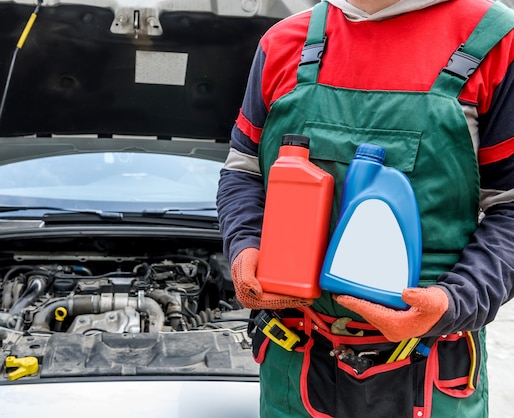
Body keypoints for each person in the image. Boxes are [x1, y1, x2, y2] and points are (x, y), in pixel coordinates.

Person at [216, 0, 514, 416]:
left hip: (428, 369)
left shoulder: (497, 41)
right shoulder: (284, 41)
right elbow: (243, 171)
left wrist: (453, 301)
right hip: (294, 364)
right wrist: (246, 244)